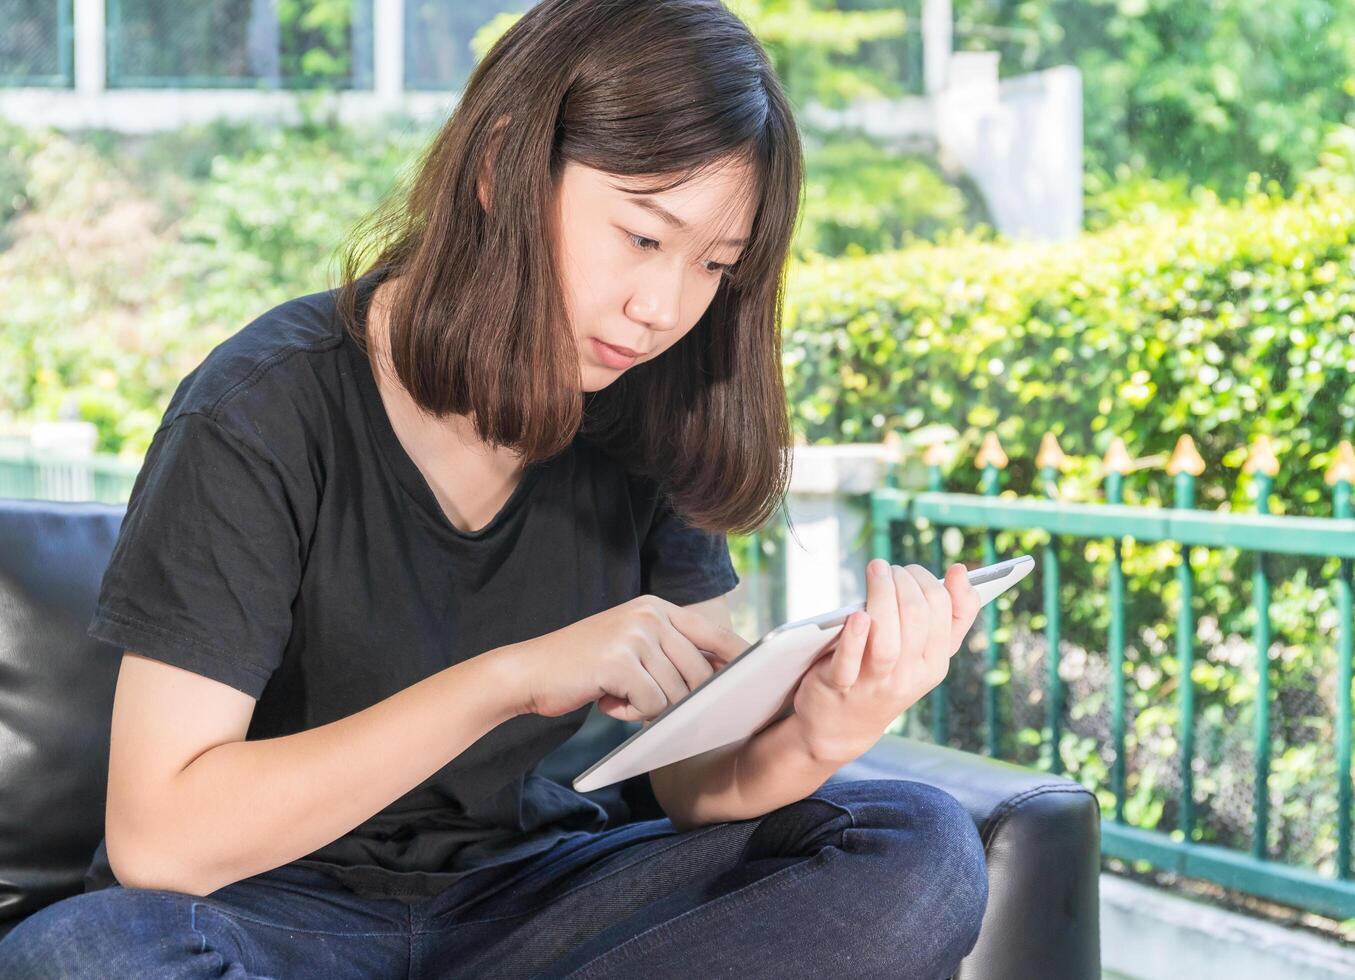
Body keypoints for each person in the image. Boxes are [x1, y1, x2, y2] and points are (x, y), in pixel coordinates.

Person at [0, 0, 989, 976]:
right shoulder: (261, 409)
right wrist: (508, 677)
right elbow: (161, 840)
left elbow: (690, 780)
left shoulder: (648, 412)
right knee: (88, 952)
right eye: (643, 237)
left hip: (538, 902)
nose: (661, 309)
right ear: (499, 167)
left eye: (713, 267)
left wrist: (823, 725)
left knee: (915, 845)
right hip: (272, 917)